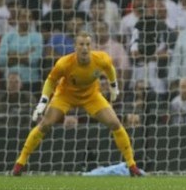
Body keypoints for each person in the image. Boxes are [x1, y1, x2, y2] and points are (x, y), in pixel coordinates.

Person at [12, 31, 142, 177]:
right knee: (45, 125)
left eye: (88, 44)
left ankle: (132, 165)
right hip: (65, 96)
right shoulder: (64, 63)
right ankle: (20, 163)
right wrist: (43, 101)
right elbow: (51, 81)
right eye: (81, 44)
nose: (85, 48)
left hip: (91, 96)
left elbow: (110, 69)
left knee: (115, 124)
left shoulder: (101, 59)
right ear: (75, 47)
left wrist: (113, 87)